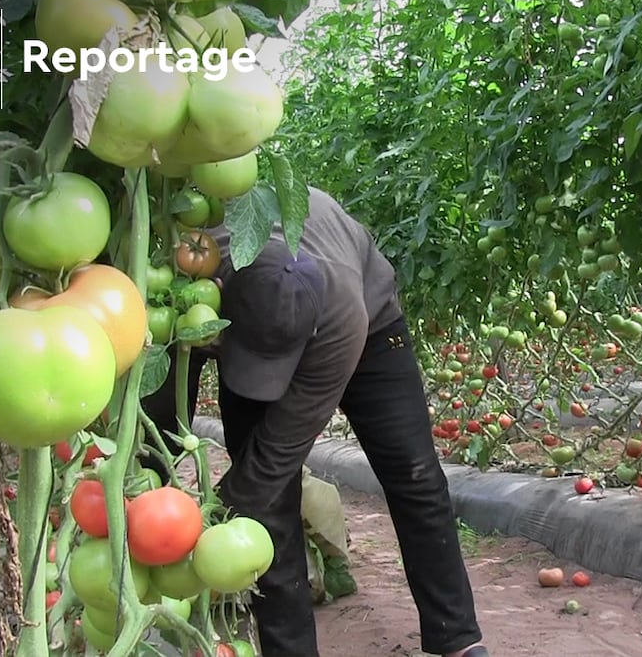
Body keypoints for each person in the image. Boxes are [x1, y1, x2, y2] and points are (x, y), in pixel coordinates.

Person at [140, 186, 490, 657]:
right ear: (217, 295)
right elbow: (158, 395)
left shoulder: (343, 322)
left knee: (415, 476)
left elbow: (276, 456)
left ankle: (458, 639)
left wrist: (213, 519)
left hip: (370, 325)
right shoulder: (192, 262)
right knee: (270, 512)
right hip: (246, 310)